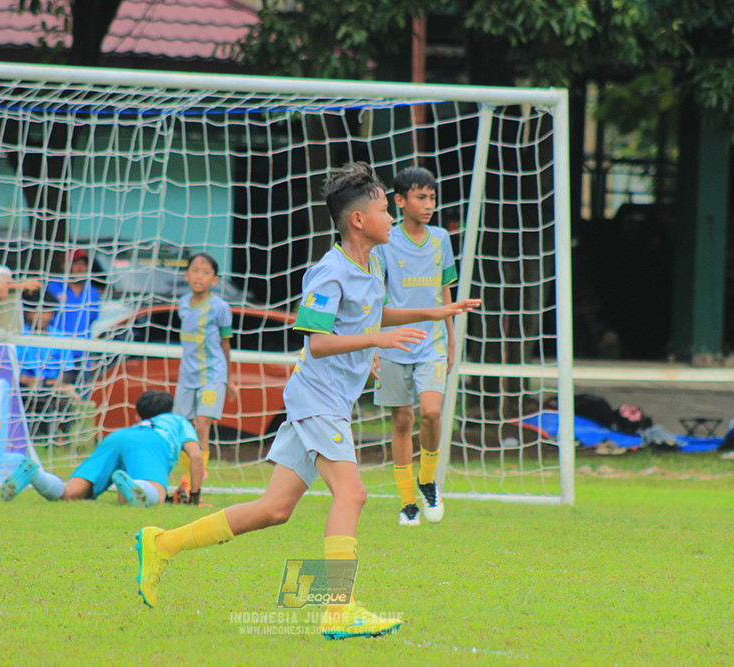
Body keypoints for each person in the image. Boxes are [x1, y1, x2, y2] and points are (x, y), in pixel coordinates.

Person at [130, 162, 480, 639]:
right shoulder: (329, 272)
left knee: (275, 509)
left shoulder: (372, 262)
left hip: (323, 400)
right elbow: (315, 341)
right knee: (352, 494)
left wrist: (434, 310)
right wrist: (377, 342)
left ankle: (162, 543)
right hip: (317, 397)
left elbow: (376, 312)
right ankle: (339, 609)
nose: (392, 218)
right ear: (358, 220)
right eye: (384, 209)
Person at [370, 167, 456, 526]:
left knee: (431, 412)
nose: (429, 204)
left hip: (432, 344)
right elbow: (375, 297)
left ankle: (428, 479)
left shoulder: (441, 239)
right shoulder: (385, 241)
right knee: (402, 419)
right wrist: (373, 344)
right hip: (392, 344)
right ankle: (408, 503)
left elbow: (446, 291)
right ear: (400, 201)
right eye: (421, 197)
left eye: (433, 197)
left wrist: (452, 340)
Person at [1, 390, 203, 506]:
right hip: (151, 442)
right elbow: (195, 455)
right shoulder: (178, 420)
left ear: (139, 416)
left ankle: (37, 475)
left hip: (117, 437)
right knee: (156, 494)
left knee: (68, 493)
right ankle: (138, 488)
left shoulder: (137, 424)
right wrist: (195, 495)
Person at [174, 252, 238, 485]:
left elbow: (226, 344)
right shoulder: (182, 303)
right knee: (182, 427)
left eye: (206, 272)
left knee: (202, 424)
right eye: (195, 270)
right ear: (186, 274)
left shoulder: (220, 308)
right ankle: (187, 476)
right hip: (187, 376)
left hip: (213, 375)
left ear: (215, 279)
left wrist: (229, 380)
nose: (199, 276)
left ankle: (195, 481)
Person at [17, 290, 80, 445]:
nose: (42, 316)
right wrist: (27, 380)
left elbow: (68, 369)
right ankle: (33, 438)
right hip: (23, 387)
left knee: (65, 394)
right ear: (27, 312)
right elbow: (10, 369)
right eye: (37, 311)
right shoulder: (17, 335)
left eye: (47, 311)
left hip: (52, 385)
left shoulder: (59, 337)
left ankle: (63, 440)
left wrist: (57, 383)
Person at [46, 249, 100, 366]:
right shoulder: (53, 287)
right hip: (57, 353)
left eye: (83, 264)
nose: (80, 268)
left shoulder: (92, 292)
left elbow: (92, 319)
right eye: (76, 263)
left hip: (83, 354)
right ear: (65, 265)